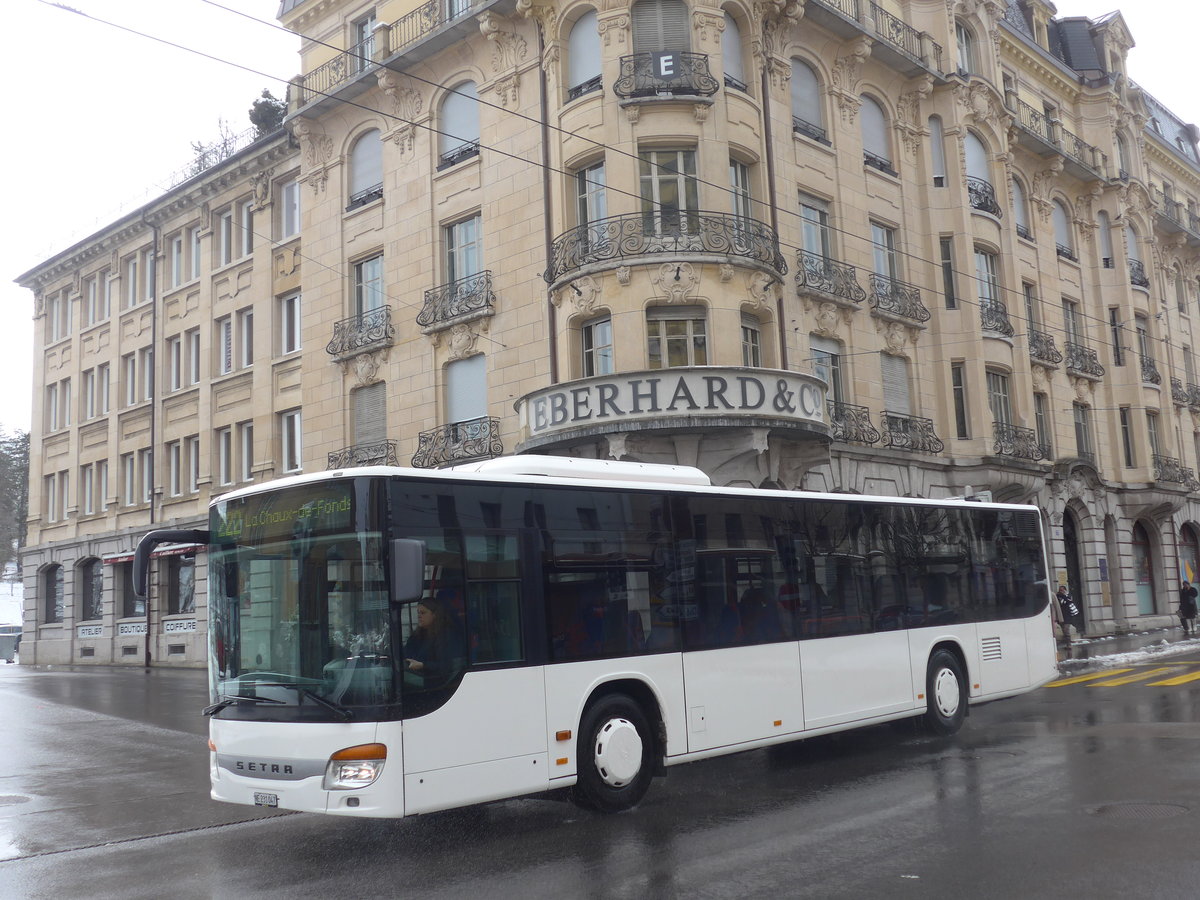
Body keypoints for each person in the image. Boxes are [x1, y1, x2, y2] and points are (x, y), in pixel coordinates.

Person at [404, 598, 461, 685]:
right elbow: (406, 651)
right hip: (416, 678)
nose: (419, 616)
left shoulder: (445, 635)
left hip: (437, 684)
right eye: (418, 613)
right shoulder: (417, 635)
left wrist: (423, 665)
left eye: (423, 613)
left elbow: (446, 666)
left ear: (434, 615)